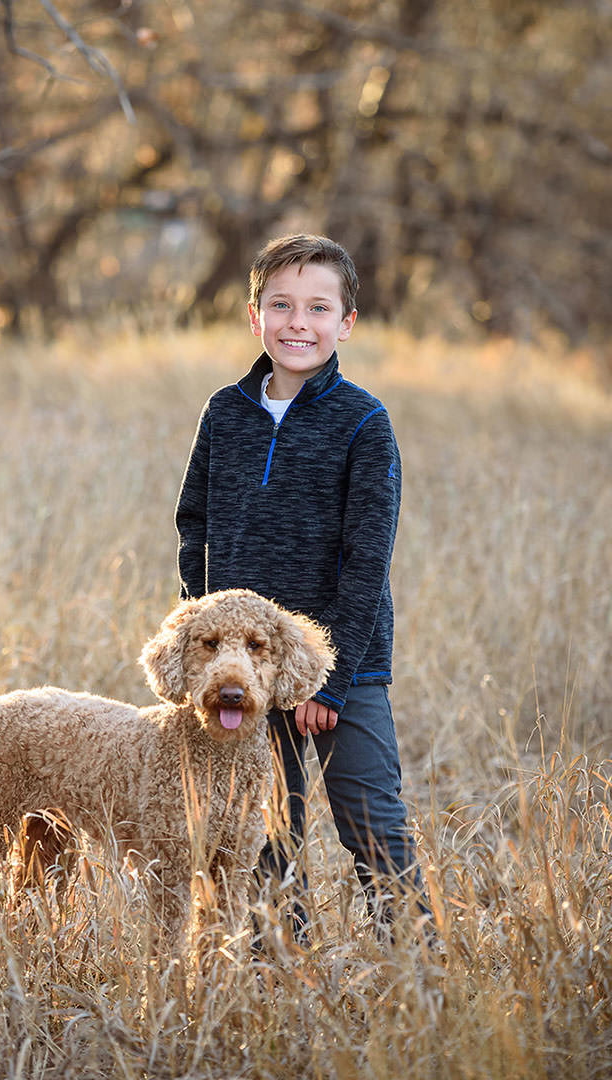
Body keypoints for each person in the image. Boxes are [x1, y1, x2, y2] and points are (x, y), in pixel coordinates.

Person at [174, 234, 425, 940]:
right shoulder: (224, 412)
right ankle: (281, 970)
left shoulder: (364, 423)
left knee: (371, 820)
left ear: (346, 322)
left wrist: (331, 680)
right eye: (281, 304)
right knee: (261, 833)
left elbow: (367, 557)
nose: (298, 323)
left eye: (318, 307)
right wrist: (209, 636)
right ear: (255, 316)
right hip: (242, 669)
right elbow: (193, 522)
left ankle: (418, 968)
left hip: (346, 669)